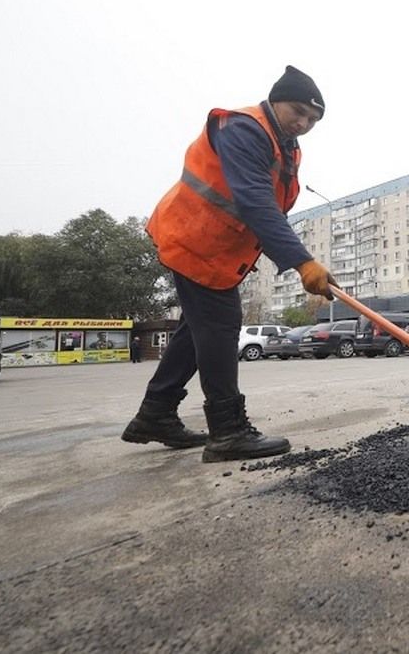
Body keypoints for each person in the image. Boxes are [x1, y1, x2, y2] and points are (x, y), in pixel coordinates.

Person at [122, 66, 335, 462]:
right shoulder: (245, 130)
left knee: (195, 330)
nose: (304, 123)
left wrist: (298, 257)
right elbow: (254, 200)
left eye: (313, 119)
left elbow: (271, 207)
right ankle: (228, 431)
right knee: (220, 326)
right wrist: (302, 262)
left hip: (214, 248)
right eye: (297, 111)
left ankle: (155, 414)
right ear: (275, 100)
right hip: (194, 239)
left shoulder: (284, 143)